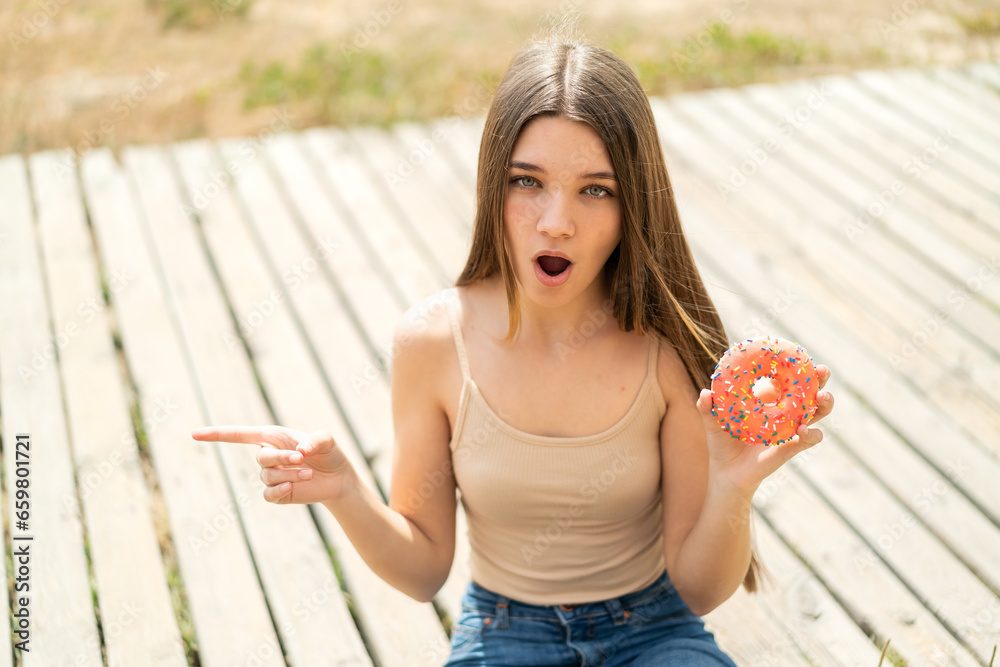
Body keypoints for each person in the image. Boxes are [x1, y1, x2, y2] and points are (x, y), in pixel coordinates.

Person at [192, 22, 834, 667]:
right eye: (528, 182)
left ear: (632, 204)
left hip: (654, 628)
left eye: (596, 189)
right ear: (491, 185)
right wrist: (345, 493)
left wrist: (731, 486)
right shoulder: (433, 344)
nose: (557, 222)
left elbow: (698, 591)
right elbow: (423, 569)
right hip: (504, 631)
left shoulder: (665, 347)